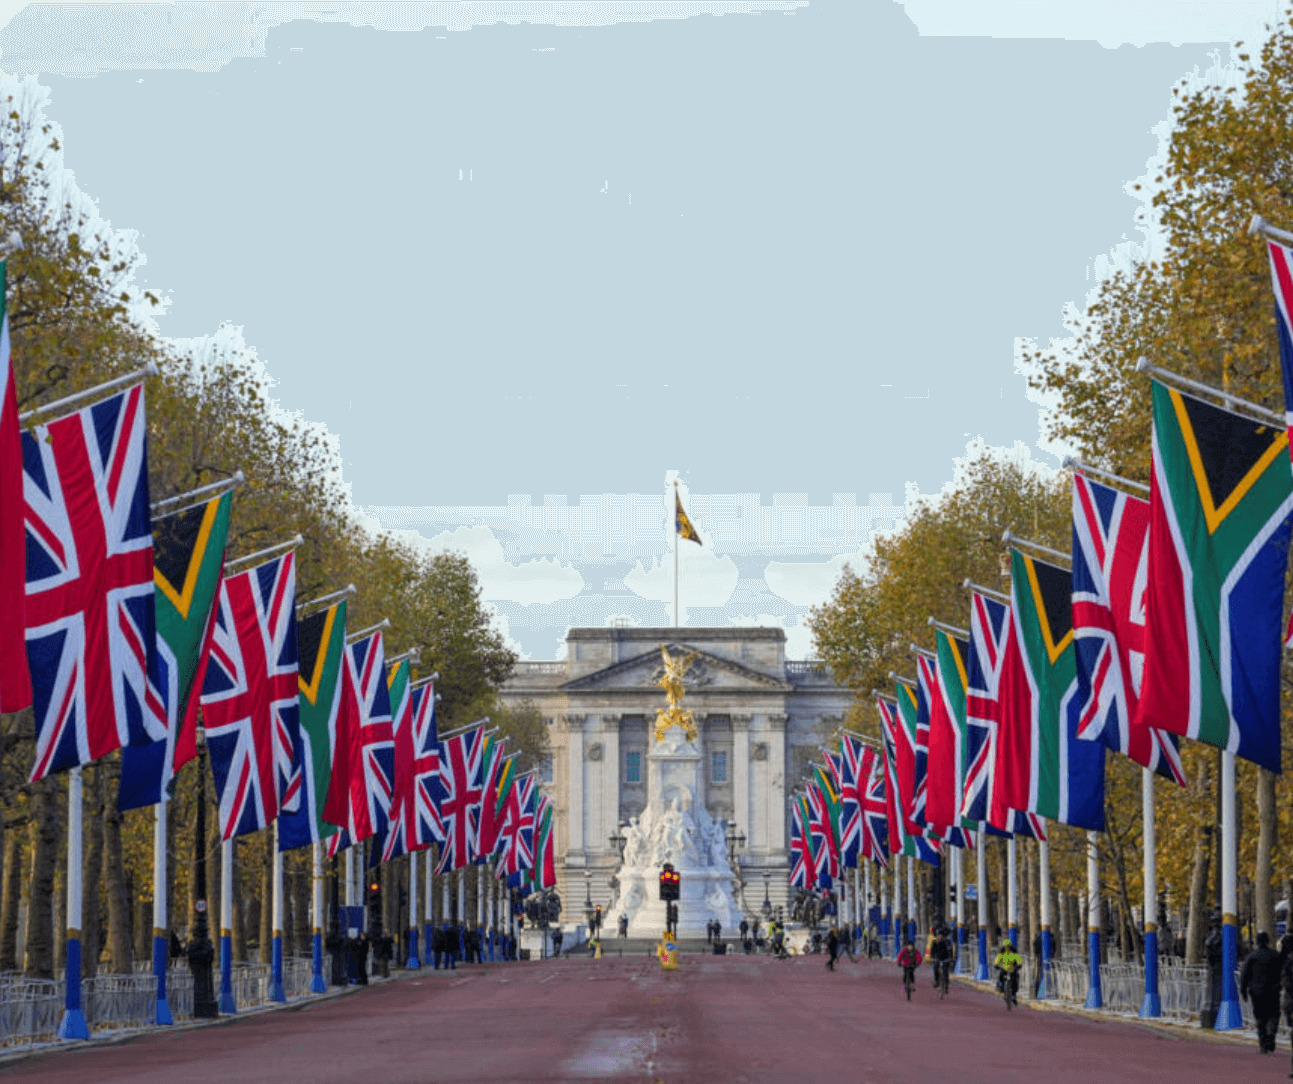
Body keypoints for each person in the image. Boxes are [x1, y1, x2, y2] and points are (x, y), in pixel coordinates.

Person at [1240, 930, 1282, 1054]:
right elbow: (1282, 972)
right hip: (1273, 991)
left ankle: (1263, 1042)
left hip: (1256, 991)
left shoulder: (1252, 957)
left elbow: (1244, 976)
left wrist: (1243, 991)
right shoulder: (1275, 955)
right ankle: (1271, 1036)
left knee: (1260, 1017)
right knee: (1273, 1015)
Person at [929, 926, 953, 990]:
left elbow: (950, 950)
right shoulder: (934, 942)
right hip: (937, 958)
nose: (939, 937)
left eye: (941, 935)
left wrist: (950, 958)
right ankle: (936, 981)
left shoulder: (946, 942)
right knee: (935, 968)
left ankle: (946, 984)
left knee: (945, 971)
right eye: (938, 935)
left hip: (945, 958)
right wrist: (932, 957)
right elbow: (932, 950)